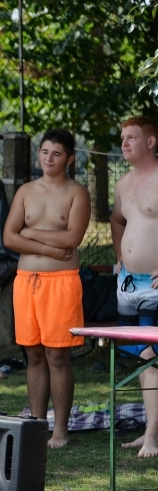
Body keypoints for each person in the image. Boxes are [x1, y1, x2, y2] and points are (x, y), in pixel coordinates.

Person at [2, 129, 91, 449]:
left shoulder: (77, 193)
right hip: (26, 281)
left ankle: (61, 430)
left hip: (61, 283)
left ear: (69, 158)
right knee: (33, 355)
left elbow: (72, 239)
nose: (48, 159)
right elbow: (8, 237)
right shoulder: (26, 191)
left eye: (56, 154)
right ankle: (38, 425)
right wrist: (50, 247)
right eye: (44, 152)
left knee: (57, 356)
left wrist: (30, 233)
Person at [110, 116, 158, 458]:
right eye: (122, 137)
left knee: (153, 355)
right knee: (143, 359)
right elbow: (116, 219)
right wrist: (119, 256)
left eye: (132, 137)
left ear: (151, 142)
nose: (124, 143)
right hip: (128, 282)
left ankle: (153, 435)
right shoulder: (123, 184)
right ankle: (149, 430)